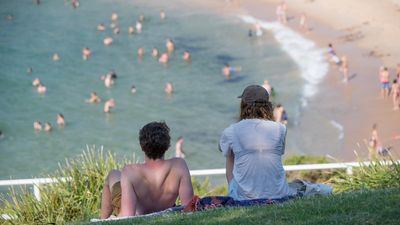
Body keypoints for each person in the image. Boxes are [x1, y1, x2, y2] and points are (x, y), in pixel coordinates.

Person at [100, 122, 193, 218]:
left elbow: (127, 216)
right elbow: (188, 206)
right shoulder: (180, 165)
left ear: (141, 146)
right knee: (115, 174)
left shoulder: (129, 171)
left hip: (137, 211)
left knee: (113, 174)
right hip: (164, 208)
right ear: (167, 145)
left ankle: (102, 220)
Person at [219, 85, 296, 200]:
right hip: (279, 193)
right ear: (268, 106)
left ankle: (233, 190)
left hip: (244, 197)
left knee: (230, 155)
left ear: (243, 105)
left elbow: (221, 148)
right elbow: (279, 153)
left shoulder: (232, 130)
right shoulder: (280, 129)